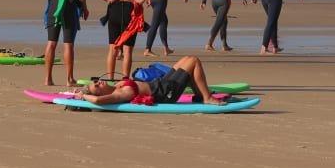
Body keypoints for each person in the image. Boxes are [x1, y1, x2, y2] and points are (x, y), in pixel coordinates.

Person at [78, 55, 225, 106]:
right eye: (97, 86)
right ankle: (207, 98)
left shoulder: (116, 86)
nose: (99, 82)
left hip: (161, 83)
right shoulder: (119, 94)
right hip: (166, 92)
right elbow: (97, 101)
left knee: (185, 60)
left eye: (96, 81)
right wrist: (84, 96)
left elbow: (96, 97)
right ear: (100, 94)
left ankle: (199, 95)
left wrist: (79, 92)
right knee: (193, 61)